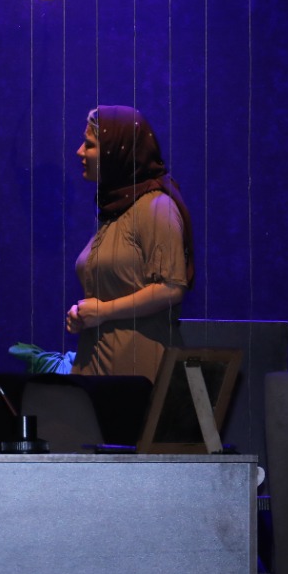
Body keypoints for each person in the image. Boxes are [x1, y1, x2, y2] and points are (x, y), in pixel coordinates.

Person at [64, 105, 196, 381]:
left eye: (90, 145)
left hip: (138, 368)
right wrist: (84, 315)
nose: (79, 152)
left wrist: (104, 311)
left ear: (116, 151)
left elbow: (171, 288)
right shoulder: (115, 210)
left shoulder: (156, 207)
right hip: (96, 364)